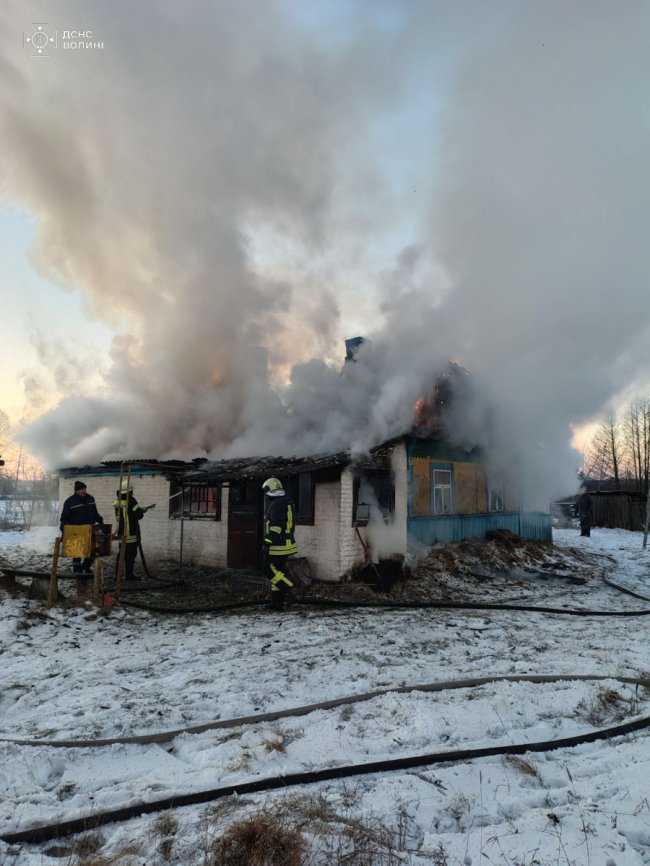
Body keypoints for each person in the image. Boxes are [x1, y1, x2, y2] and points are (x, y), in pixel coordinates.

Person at [262, 477, 298, 610]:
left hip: (278, 545)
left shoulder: (277, 504)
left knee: (268, 570)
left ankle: (291, 589)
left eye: (266, 492)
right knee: (277, 572)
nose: (266, 496)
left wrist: (267, 542)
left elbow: (277, 526)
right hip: (286, 543)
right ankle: (277, 603)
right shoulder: (286, 501)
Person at [59, 480, 104, 573]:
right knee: (77, 551)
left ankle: (86, 566)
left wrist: (100, 521)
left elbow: (95, 513)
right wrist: (64, 530)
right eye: (81, 489)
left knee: (94, 550)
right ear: (76, 491)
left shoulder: (91, 499)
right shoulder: (69, 502)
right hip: (76, 531)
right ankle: (77, 570)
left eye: (84, 489)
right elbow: (64, 518)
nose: (84, 491)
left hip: (90, 529)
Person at [113, 480, 152, 580]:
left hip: (121, 532)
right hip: (131, 533)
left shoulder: (117, 501)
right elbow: (139, 515)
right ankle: (129, 575)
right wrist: (141, 511)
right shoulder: (131, 501)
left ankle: (117, 575)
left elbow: (126, 513)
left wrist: (137, 510)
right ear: (130, 491)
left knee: (121, 555)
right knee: (130, 555)